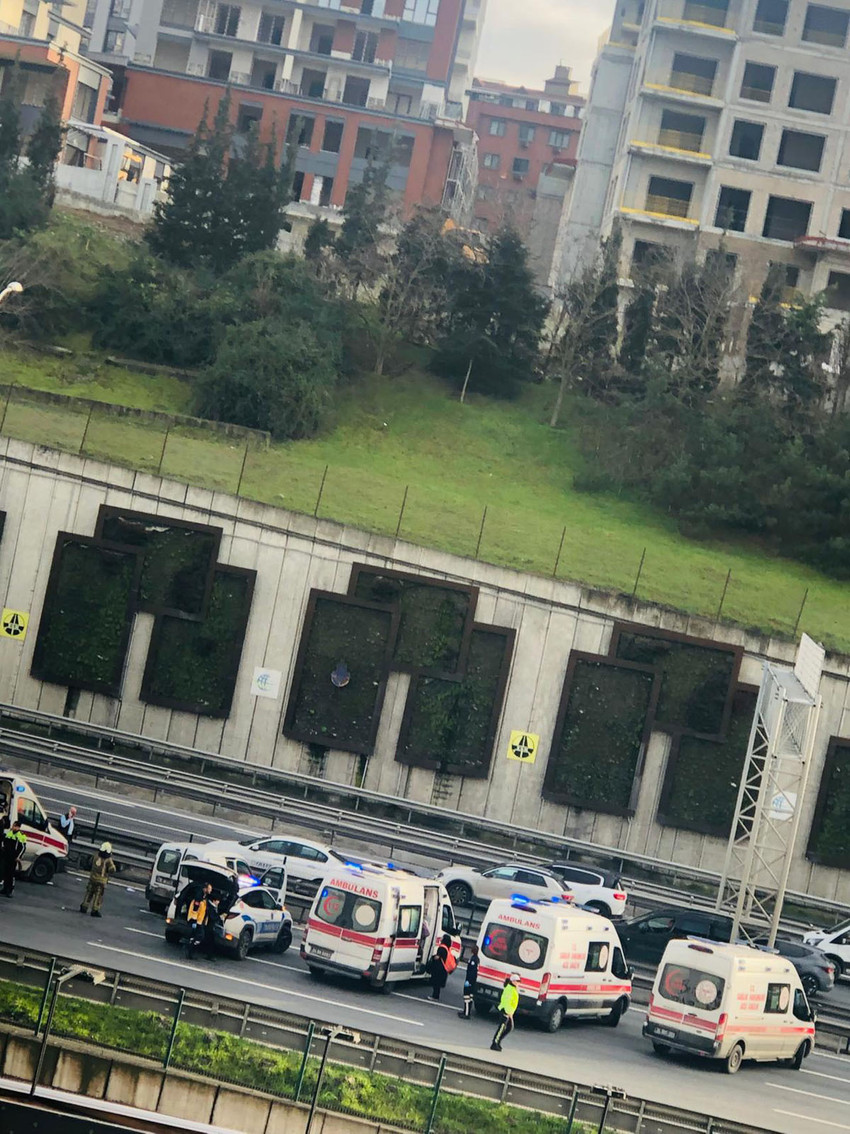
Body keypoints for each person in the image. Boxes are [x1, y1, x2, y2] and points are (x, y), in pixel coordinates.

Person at [80, 842, 116, 917]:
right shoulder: (108, 860)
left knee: (89, 893)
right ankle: (95, 910)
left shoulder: (95, 856)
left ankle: (84, 906)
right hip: (101, 881)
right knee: (98, 896)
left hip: (92, 879)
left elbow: (89, 863)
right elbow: (112, 869)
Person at [490, 973, 520, 1052]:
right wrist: (508, 1012)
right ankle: (495, 1043)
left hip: (509, 1011)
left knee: (509, 1027)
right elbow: (507, 1001)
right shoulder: (509, 989)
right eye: (517, 981)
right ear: (513, 981)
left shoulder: (513, 988)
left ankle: (498, 1041)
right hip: (506, 1010)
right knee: (502, 1027)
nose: (518, 982)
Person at [183, 882, 213, 960]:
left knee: (195, 936)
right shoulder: (199, 896)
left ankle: (190, 950)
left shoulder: (205, 897)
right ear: (205, 888)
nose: (210, 890)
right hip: (195, 920)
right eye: (209, 889)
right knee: (199, 936)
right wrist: (194, 920)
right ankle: (190, 949)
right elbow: (195, 909)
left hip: (200, 920)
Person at [1, 821, 26, 897]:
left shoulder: (21, 835)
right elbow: (4, 842)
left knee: (11, 874)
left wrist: (18, 857)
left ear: (18, 827)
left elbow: (23, 848)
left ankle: (10, 890)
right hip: (7, 856)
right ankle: (5, 889)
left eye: (14, 826)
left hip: (14, 858)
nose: (12, 827)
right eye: (13, 826)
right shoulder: (9, 833)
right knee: (6, 873)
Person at [458, 944, 479, 1020]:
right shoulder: (476, 959)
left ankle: (466, 1013)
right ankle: (466, 1011)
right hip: (472, 981)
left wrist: (468, 981)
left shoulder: (473, 959)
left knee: (467, 997)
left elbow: (472, 972)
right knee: (469, 997)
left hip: (470, 980)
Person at [429, 933, 452, 1001]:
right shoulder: (447, 948)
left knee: (435, 982)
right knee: (438, 983)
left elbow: (437, 957)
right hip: (443, 968)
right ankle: (436, 996)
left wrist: (433, 957)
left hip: (438, 967)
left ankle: (435, 996)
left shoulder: (442, 947)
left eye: (442, 937)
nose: (441, 938)